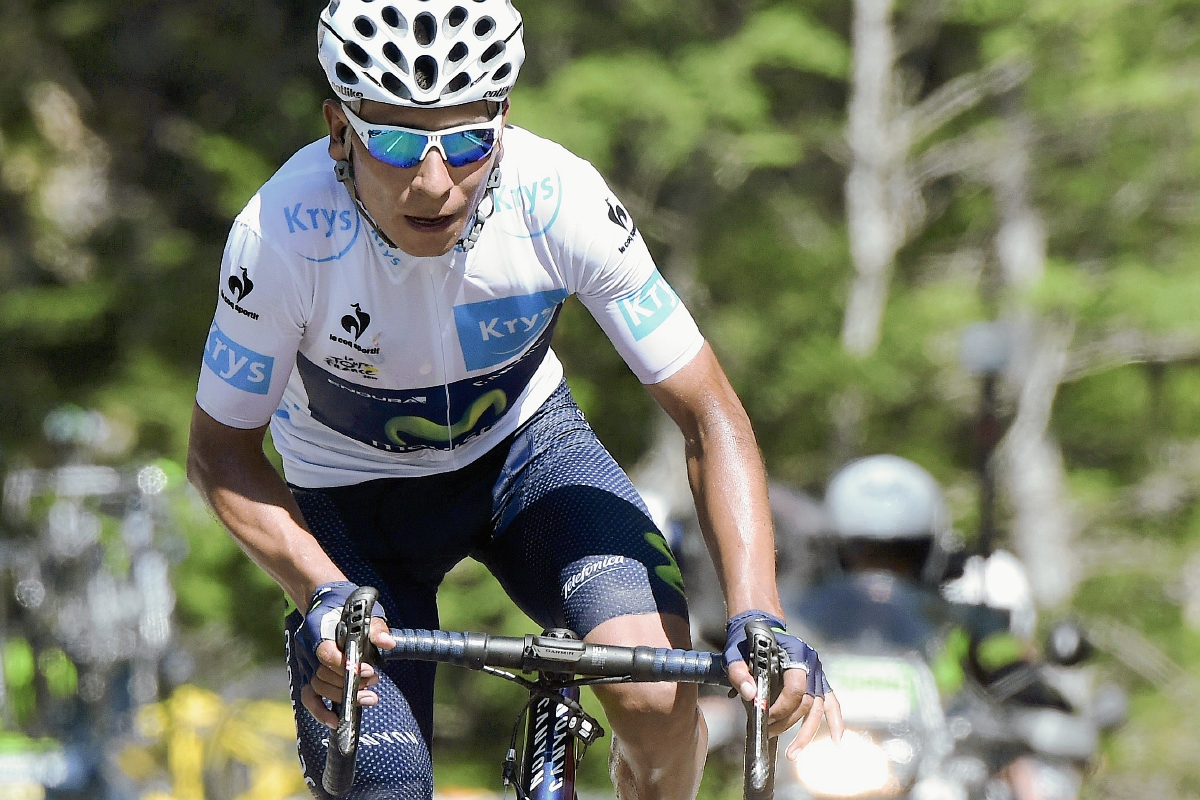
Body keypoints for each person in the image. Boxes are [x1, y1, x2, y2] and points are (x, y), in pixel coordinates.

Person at [185, 1, 841, 798]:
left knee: (659, 704)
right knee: (383, 780)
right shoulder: (280, 235)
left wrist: (758, 613)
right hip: (351, 500)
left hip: (531, 459)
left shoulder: (557, 197)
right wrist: (315, 589)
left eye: (465, 140)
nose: (432, 181)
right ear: (337, 128)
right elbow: (219, 455)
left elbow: (709, 414)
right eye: (392, 140)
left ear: (503, 121)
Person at [793, 455, 1074, 800]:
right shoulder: (801, 621)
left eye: (902, 555)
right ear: (832, 551)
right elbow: (753, 660)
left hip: (932, 770)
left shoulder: (966, 624)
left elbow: (1011, 664)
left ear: (930, 553)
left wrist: (1031, 700)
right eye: (862, 553)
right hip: (825, 758)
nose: (881, 570)